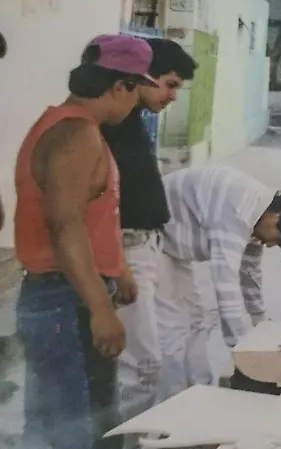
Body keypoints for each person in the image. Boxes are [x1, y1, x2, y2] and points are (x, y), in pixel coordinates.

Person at [13, 34, 157, 449]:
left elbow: (90, 215)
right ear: (120, 86)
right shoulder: (76, 134)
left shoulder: (64, 125)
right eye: (137, 90)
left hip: (67, 291)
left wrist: (118, 267)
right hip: (65, 298)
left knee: (62, 427)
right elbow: (64, 225)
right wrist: (99, 307)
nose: (136, 103)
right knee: (73, 433)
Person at [99, 37, 197, 443]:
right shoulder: (111, 122)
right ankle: (128, 440)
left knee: (171, 342)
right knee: (141, 365)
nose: (173, 96)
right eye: (170, 84)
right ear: (141, 75)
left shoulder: (133, 119)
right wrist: (119, 264)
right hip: (126, 250)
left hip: (148, 246)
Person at [156, 166, 281, 400]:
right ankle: (171, 407)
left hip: (172, 243)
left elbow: (250, 274)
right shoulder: (237, 213)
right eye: (278, 240)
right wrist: (245, 353)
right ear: (277, 219)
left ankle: (200, 395)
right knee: (173, 331)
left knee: (195, 321)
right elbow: (226, 287)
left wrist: (261, 327)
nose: (270, 245)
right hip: (154, 237)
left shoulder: (258, 211)